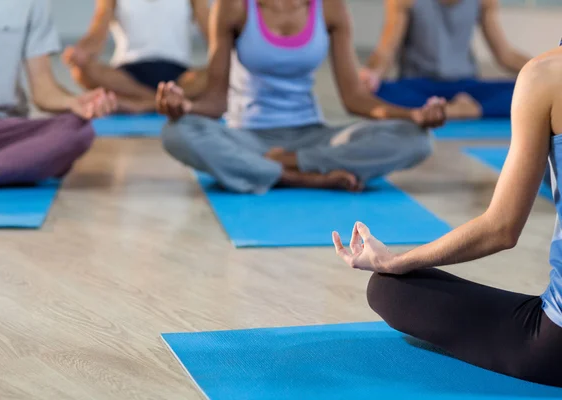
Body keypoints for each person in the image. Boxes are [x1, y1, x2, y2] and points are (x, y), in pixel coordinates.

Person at [332, 46, 562, 387]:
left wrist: (395, 261)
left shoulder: (545, 74)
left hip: (554, 345)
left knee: (387, 290)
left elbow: (501, 229)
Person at [155, 0, 446, 194]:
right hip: (246, 137)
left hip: (311, 134)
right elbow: (216, 101)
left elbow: (355, 98)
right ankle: (294, 175)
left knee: (418, 140)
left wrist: (412, 116)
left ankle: (289, 162)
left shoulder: (329, 8)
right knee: (176, 133)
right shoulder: (233, 6)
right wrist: (186, 107)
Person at [0, 0, 117, 188]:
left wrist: (75, 103)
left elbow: (43, 90)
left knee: (79, 130)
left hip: (3, 128)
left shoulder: (33, 3)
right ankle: (13, 167)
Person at [360, 0, 531, 119]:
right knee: (375, 94)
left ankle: (452, 110)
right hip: (419, 86)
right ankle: (463, 110)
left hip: (466, 87)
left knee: (524, 93)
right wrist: (372, 74)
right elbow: (386, 51)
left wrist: (547, 72)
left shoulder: (483, 2)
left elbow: (505, 56)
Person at [63, 0, 210, 114]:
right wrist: (80, 51)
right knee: (81, 70)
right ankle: (161, 101)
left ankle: (142, 104)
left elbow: (212, 36)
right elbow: (97, 31)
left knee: (221, 71)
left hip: (179, 77)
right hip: (127, 76)